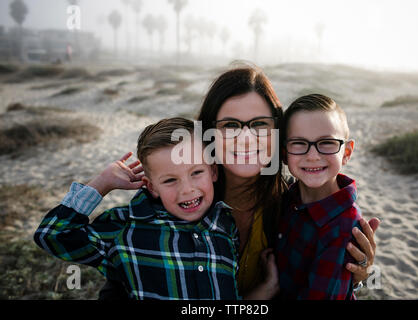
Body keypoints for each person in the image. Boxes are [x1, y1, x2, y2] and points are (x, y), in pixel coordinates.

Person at [99, 64, 380, 299]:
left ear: (277, 135)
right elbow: (121, 282)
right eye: (231, 126)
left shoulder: (290, 205)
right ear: (208, 134)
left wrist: (358, 274)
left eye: (259, 125)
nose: (246, 139)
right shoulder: (180, 197)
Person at [34, 117, 275, 299]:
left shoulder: (225, 225)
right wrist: (101, 184)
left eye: (196, 173)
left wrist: (266, 289)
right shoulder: (124, 228)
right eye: (170, 180)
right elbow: (53, 235)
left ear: (213, 171)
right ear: (151, 187)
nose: (187, 189)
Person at [276, 93, 364, 299]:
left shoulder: (343, 230)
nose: (313, 155)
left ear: (347, 152)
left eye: (326, 142)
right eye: (298, 143)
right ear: (284, 154)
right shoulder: (288, 197)